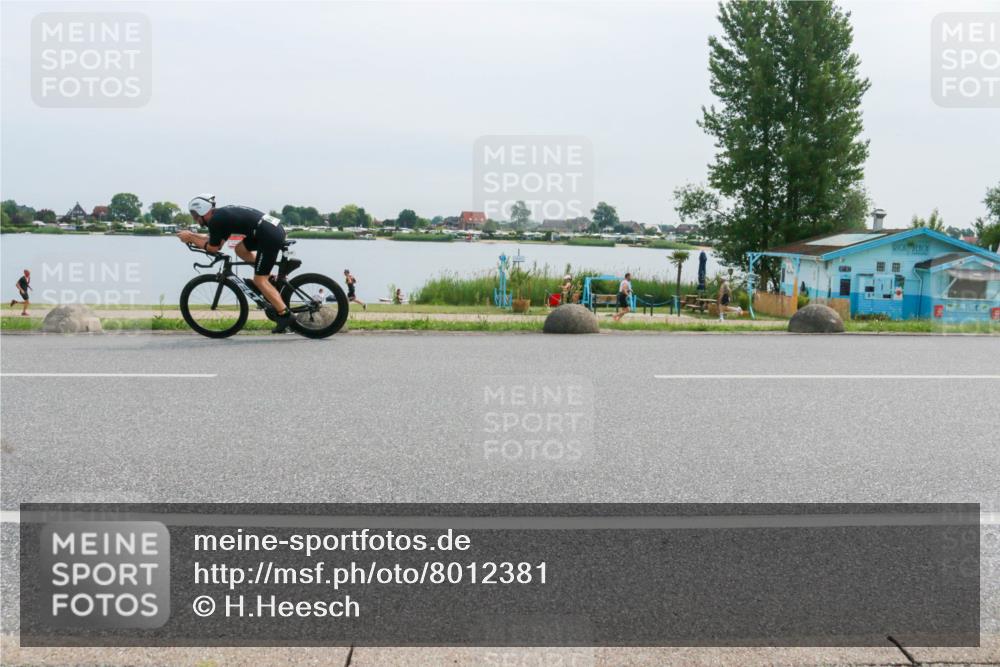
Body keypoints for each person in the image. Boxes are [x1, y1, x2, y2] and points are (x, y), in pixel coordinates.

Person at [177, 194, 294, 334]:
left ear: (201, 211)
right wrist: (192, 236)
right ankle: (270, 279)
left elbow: (213, 248)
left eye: (194, 215)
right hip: (268, 229)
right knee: (240, 249)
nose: (194, 218)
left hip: (267, 234)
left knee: (259, 280)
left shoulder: (216, 220)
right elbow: (214, 239)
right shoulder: (219, 216)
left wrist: (190, 238)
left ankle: (285, 316)